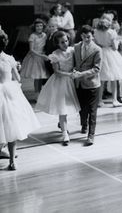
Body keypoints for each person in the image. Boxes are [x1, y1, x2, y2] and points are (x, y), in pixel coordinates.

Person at [0, 30, 40, 170]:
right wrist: (16, 68)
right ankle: (12, 160)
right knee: (10, 126)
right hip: (8, 92)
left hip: (5, 94)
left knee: (5, 126)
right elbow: (17, 78)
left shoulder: (9, 59)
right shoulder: (9, 59)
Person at [36, 31, 80, 146]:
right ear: (57, 44)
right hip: (60, 82)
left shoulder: (72, 50)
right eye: (62, 42)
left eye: (66, 41)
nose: (65, 44)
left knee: (69, 107)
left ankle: (62, 125)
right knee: (63, 109)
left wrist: (74, 71)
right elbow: (57, 71)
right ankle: (65, 133)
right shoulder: (55, 54)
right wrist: (69, 74)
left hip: (72, 81)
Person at [72, 25, 102, 146]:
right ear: (81, 36)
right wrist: (74, 71)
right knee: (81, 108)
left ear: (92, 36)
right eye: (84, 37)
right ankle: (83, 124)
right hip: (79, 83)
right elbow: (74, 63)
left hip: (92, 84)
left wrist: (81, 74)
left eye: (88, 37)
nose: (86, 39)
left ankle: (91, 135)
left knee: (92, 110)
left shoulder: (97, 50)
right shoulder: (76, 47)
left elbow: (97, 69)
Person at [94, 18, 122, 107]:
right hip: (111, 53)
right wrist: (118, 42)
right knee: (114, 78)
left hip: (101, 52)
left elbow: (97, 43)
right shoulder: (111, 32)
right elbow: (115, 47)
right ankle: (114, 100)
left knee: (101, 79)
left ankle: (99, 100)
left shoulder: (96, 32)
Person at [20, 18, 49, 95]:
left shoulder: (44, 35)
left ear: (43, 27)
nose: (39, 28)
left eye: (41, 26)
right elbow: (31, 50)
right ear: (34, 27)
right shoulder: (33, 36)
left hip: (42, 56)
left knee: (41, 77)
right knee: (37, 77)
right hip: (35, 57)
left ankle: (40, 93)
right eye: (37, 26)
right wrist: (42, 56)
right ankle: (37, 94)